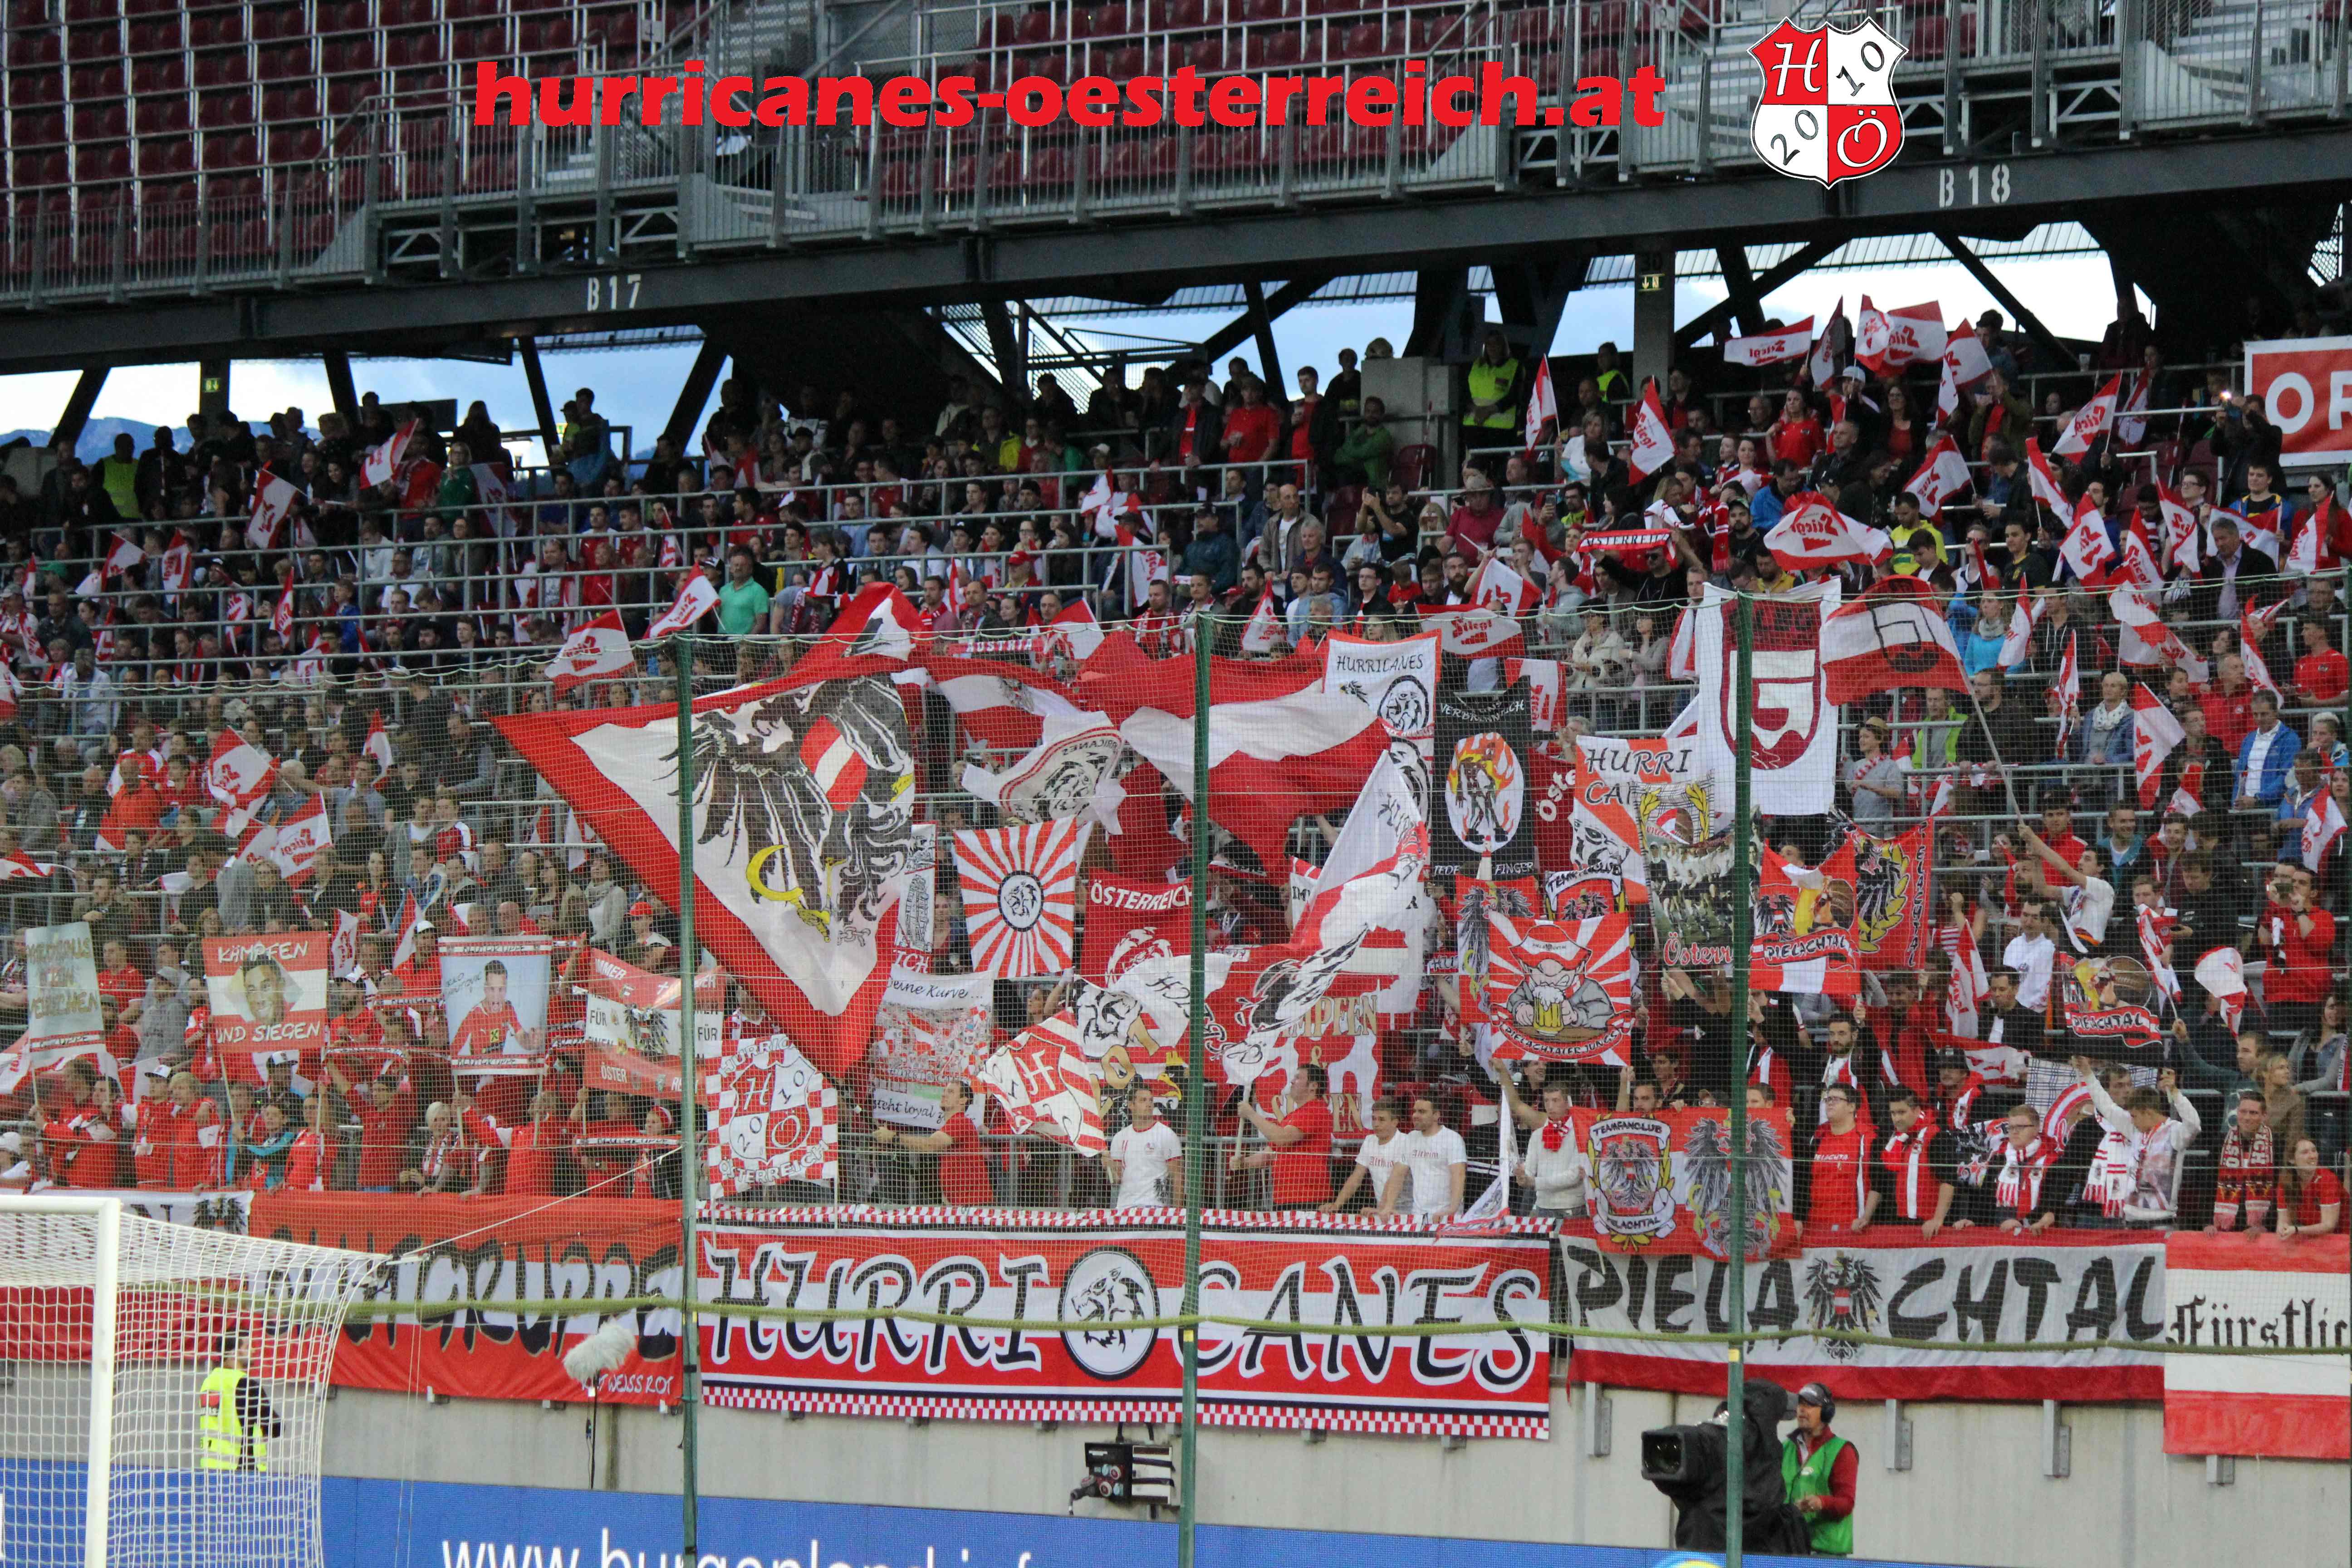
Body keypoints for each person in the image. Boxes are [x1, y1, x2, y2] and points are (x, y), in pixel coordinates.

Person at [872, 1079, 994, 1205]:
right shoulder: (955, 1123)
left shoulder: (959, 1121)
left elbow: (930, 1145)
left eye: (951, 1092)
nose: (944, 1095)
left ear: (963, 1100)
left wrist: (893, 1137)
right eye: (945, 1091)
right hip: (965, 1204)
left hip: (974, 1205)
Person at [1230, 1062, 1333, 1209]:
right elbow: (1269, 1155)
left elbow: (1283, 1139)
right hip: (1285, 1197)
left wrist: (1251, 1114)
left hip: (1308, 1198)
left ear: (1313, 1086)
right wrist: (1243, 1163)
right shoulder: (1293, 1116)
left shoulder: (1315, 1110)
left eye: (1298, 1078)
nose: (1292, 1081)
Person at [1780, 1382, 1858, 1558]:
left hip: (1826, 1555)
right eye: (1800, 1404)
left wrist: (1821, 1503)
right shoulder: (1785, 1449)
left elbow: (1846, 1503)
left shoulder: (1842, 1451)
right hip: (1790, 1551)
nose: (1802, 1410)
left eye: (1810, 1405)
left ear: (1826, 1412)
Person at [197, 1334, 282, 1474]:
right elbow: (276, 1428)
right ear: (233, 1353)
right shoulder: (246, 1384)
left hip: (210, 1465)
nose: (254, 1351)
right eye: (248, 1347)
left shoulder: (209, 1382)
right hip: (241, 1468)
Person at [1383, 1095, 1466, 1217]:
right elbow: (1398, 1174)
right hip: (1418, 1215)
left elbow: (1458, 1175)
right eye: (1415, 1111)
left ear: (1436, 1115)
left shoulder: (1452, 1139)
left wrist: (1452, 1210)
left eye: (1422, 1112)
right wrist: (1389, 1206)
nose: (1415, 1116)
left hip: (1446, 1216)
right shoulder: (1411, 1138)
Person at [1104, 1084, 1184, 1209]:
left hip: (1156, 1208)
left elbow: (1177, 1176)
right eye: (1143, 1100)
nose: (1149, 1104)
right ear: (1131, 1105)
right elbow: (1116, 1180)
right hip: (1126, 1207)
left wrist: (1177, 1213)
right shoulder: (1120, 1137)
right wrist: (1109, 1166)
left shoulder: (1167, 1134)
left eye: (1151, 1100)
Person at [1324, 1098, 1406, 1213]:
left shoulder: (1406, 1142)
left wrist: (1383, 1208)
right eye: (1374, 1119)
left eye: (1382, 1120)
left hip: (1406, 1213)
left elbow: (1396, 1178)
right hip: (1382, 1211)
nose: (1376, 1124)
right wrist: (1337, 1205)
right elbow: (1356, 1177)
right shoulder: (1369, 1141)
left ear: (1395, 1122)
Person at [2276, 1137, 2344, 1237]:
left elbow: (2329, 1225)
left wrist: (2296, 1230)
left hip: (2342, 1236)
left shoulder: (2328, 1179)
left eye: (2314, 1151)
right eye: (2305, 1153)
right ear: (2291, 1160)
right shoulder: (2285, 1182)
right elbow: (2283, 1222)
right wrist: (2283, 1230)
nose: (2313, 1156)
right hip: (2309, 1235)